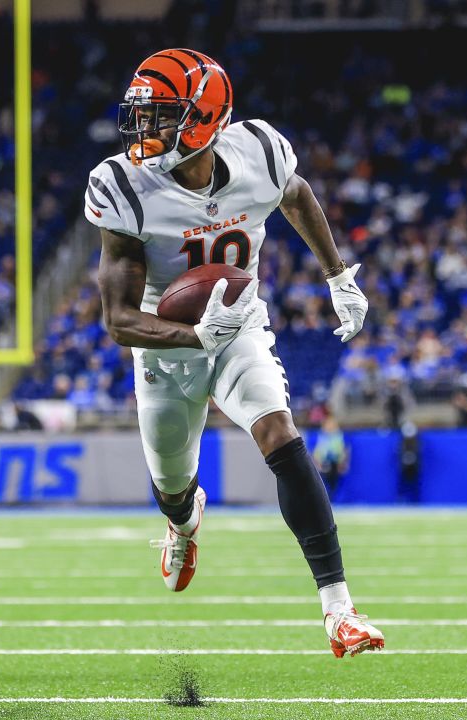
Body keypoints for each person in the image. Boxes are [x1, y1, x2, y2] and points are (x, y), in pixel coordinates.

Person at [87, 49, 383, 657]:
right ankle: (182, 521)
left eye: (161, 116)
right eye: (142, 116)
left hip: (240, 326)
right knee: (171, 482)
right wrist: (195, 337)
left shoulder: (259, 151)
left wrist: (337, 275)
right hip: (165, 347)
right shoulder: (123, 185)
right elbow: (118, 319)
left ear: (203, 117)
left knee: (279, 430)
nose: (145, 131)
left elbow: (295, 194)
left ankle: (340, 612)